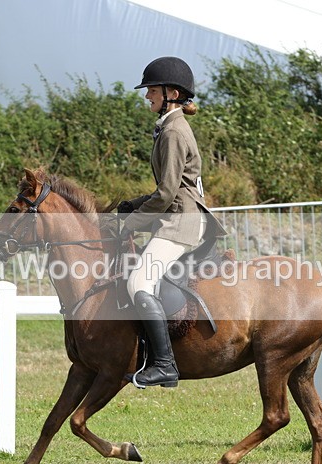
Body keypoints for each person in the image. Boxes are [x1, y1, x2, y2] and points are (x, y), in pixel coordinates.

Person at [119, 56, 227, 388]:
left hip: (181, 221)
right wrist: (133, 205)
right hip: (180, 215)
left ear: (172, 94)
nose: (147, 95)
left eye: (152, 90)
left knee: (138, 283)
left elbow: (167, 193)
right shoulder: (170, 127)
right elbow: (171, 188)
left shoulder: (173, 131)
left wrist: (130, 222)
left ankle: (164, 365)